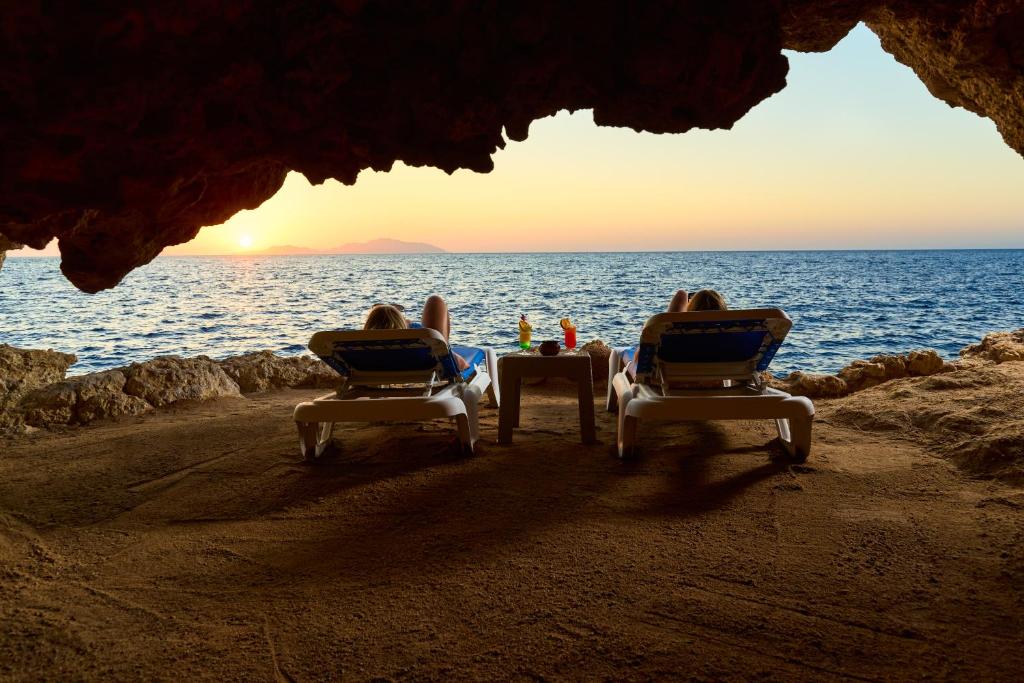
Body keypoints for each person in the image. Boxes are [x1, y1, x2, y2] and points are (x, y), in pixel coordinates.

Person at [364, 295, 469, 370]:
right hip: (424, 370)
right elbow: (461, 365)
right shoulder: (418, 344)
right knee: (435, 300)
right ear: (402, 324)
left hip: (376, 371)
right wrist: (410, 327)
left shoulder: (362, 351)